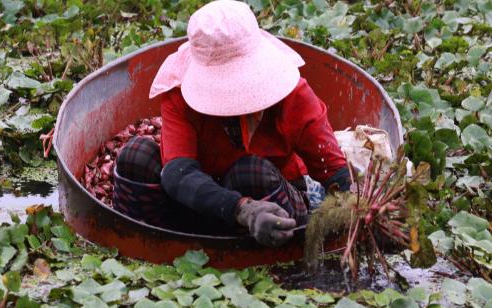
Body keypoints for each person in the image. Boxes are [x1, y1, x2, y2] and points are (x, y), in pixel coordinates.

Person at [112, 0, 350, 247]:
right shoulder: (179, 95)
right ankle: (151, 246)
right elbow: (177, 174)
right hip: (203, 203)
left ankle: (271, 253)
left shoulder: (292, 95)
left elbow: (334, 172)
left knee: (249, 172)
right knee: (136, 155)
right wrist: (243, 210)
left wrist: (354, 208)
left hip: (272, 205)